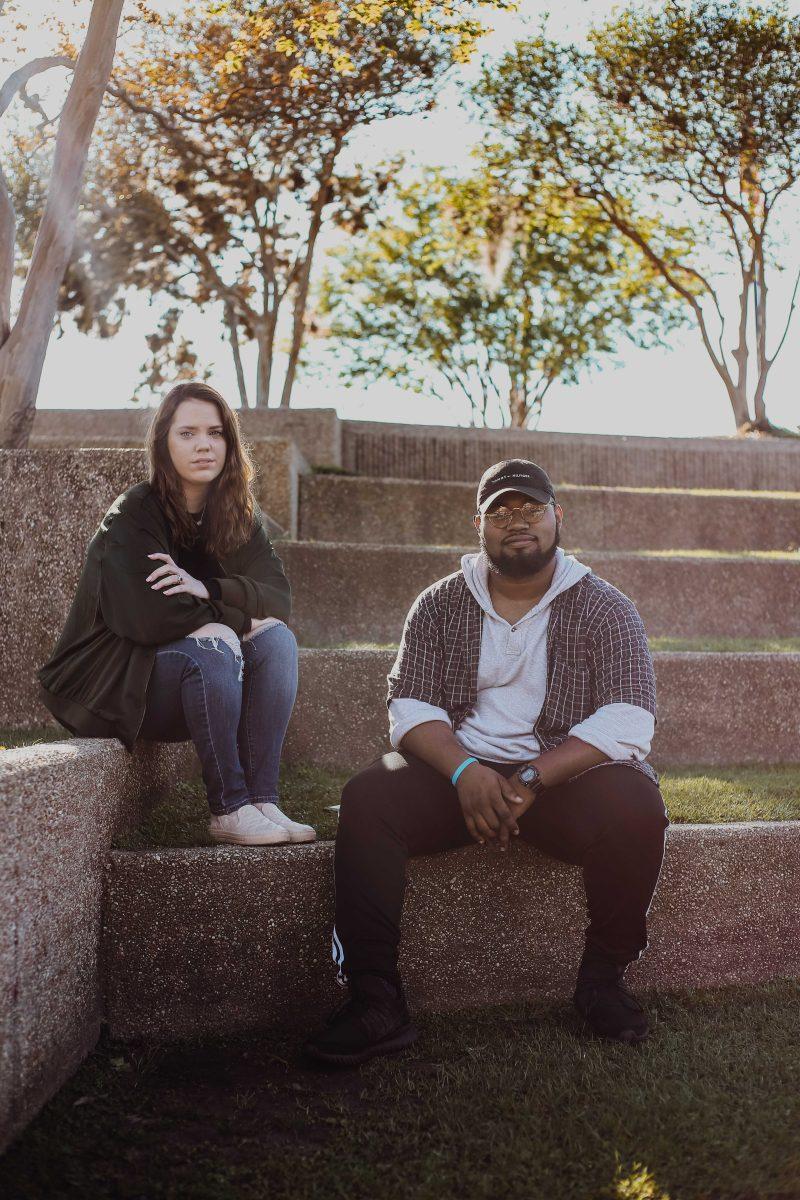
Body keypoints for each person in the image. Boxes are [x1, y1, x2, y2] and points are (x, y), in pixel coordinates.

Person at [305, 458, 668, 1064]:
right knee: (369, 797)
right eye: (501, 510)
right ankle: (375, 1000)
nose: (516, 520)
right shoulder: (440, 603)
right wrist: (465, 773)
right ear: (479, 525)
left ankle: (603, 980)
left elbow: (630, 719)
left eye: (530, 507)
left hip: (559, 786)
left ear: (558, 516)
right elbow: (409, 706)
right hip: (458, 776)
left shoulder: (606, 607)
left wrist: (531, 777)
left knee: (636, 803)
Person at [37, 381, 314, 847]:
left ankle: (261, 800)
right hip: (114, 682)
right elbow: (150, 618)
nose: (204, 444)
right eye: (187, 433)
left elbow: (279, 600)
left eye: (215, 432)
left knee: (277, 640)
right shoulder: (135, 511)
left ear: (229, 441)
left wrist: (206, 588)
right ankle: (228, 808)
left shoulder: (237, 517)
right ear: (164, 443)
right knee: (215, 641)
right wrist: (237, 619)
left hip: (199, 684)